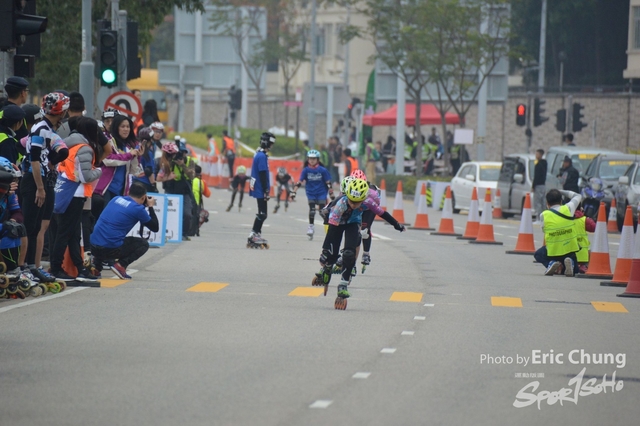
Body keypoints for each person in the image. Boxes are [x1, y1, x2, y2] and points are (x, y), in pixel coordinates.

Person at [316, 178, 405, 306]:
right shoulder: (340, 205)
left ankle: (343, 284)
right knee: (333, 254)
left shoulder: (368, 201)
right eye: (351, 201)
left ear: (363, 199)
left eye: (357, 202)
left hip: (353, 223)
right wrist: (325, 252)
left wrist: (397, 225)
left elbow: (382, 213)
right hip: (337, 223)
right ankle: (328, 267)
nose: (353, 205)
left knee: (349, 254)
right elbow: (331, 233)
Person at [20, 92, 70, 283]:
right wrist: (40, 188)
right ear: (62, 112)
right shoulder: (41, 128)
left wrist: (50, 163)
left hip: (41, 179)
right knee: (29, 226)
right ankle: (23, 267)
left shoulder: (48, 128)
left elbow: (56, 153)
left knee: (36, 227)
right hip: (33, 181)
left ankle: (33, 267)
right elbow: (34, 160)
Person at [49, 117, 103, 282]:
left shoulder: (68, 144)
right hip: (75, 194)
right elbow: (85, 176)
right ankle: (56, 268)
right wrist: (99, 171)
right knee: (65, 233)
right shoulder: (85, 148)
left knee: (72, 234)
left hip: (64, 192)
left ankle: (80, 268)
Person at [90, 182, 159, 279]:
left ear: (129, 192)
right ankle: (121, 265)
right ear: (143, 197)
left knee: (107, 234)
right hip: (110, 249)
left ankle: (96, 268)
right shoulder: (138, 209)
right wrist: (150, 206)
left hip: (93, 246)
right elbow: (155, 227)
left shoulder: (116, 199)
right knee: (143, 244)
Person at [93, 114, 141, 220]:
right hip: (105, 190)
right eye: (122, 126)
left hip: (121, 191)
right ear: (116, 127)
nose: (126, 129)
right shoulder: (108, 141)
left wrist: (136, 155)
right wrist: (129, 155)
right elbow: (108, 159)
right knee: (103, 219)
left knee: (114, 221)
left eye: (128, 127)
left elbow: (134, 170)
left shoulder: (129, 146)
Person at [534, 189, 582, 277]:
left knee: (538, 254)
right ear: (561, 201)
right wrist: (560, 191)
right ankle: (570, 262)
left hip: (553, 251)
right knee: (575, 270)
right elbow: (577, 196)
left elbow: (544, 230)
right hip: (569, 250)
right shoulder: (568, 208)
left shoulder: (543, 215)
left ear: (547, 203)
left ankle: (551, 263)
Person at [156, 141, 195, 240]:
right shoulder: (169, 161)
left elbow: (192, 176)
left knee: (187, 214)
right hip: (171, 190)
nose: (180, 155)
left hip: (184, 192)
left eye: (183, 153)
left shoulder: (189, 161)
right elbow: (159, 176)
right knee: (168, 214)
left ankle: (183, 234)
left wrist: (182, 165)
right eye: (178, 153)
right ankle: (167, 233)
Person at [291, 150, 333, 239]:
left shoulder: (322, 170)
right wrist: (294, 192)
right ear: (308, 159)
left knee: (322, 211)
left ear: (317, 159)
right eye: (310, 159)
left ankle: (330, 226)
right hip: (311, 192)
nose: (312, 160)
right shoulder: (306, 170)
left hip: (321, 192)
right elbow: (300, 182)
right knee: (312, 210)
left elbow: (328, 182)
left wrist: (331, 193)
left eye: (314, 159)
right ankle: (311, 227)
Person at [247, 132, 275, 247]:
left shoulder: (258, 154)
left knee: (262, 212)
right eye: (271, 143)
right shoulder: (262, 156)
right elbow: (262, 173)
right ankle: (253, 233)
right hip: (260, 187)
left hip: (257, 186)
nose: (272, 146)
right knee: (263, 213)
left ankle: (256, 233)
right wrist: (266, 190)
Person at [132, 127, 157, 193]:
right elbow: (149, 171)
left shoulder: (136, 148)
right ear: (151, 139)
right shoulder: (148, 153)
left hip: (135, 181)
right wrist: (154, 186)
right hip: (145, 184)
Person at [192, 164, 211, 236]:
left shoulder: (188, 179)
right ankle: (196, 228)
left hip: (187, 203)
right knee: (205, 214)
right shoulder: (201, 182)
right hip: (196, 205)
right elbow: (208, 194)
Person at [532, 149, 547, 223]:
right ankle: (544, 218)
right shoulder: (545, 163)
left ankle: (539, 218)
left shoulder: (538, 164)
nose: (536, 155)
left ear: (541, 155)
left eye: (537, 154)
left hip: (538, 185)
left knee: (537, 202)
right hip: (543, 185)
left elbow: (536, 176)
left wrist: (533, 186)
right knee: (543, 202)